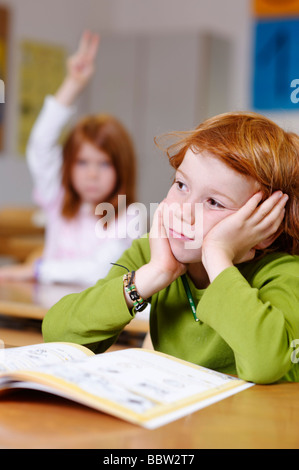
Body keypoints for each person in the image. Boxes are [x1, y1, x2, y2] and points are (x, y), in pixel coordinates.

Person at [42, 111, 299, 384]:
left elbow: (266, 364)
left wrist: (217, 257)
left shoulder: (285, 275)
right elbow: (58, 333)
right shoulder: (154, 254)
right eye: (181, 185)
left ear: (266, 227)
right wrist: (154, 274)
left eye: (214, 202)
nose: (183, 212)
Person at [0, 31, 144, 285]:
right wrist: (73, 84)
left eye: (104, 164)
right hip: (47, 307)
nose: (92, 174)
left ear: (122, 168)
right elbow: (40, 145)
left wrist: (37, 269)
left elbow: (99, 271)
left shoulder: (129, 216)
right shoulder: (59, 196)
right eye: (82, 162)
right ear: (68, 166)